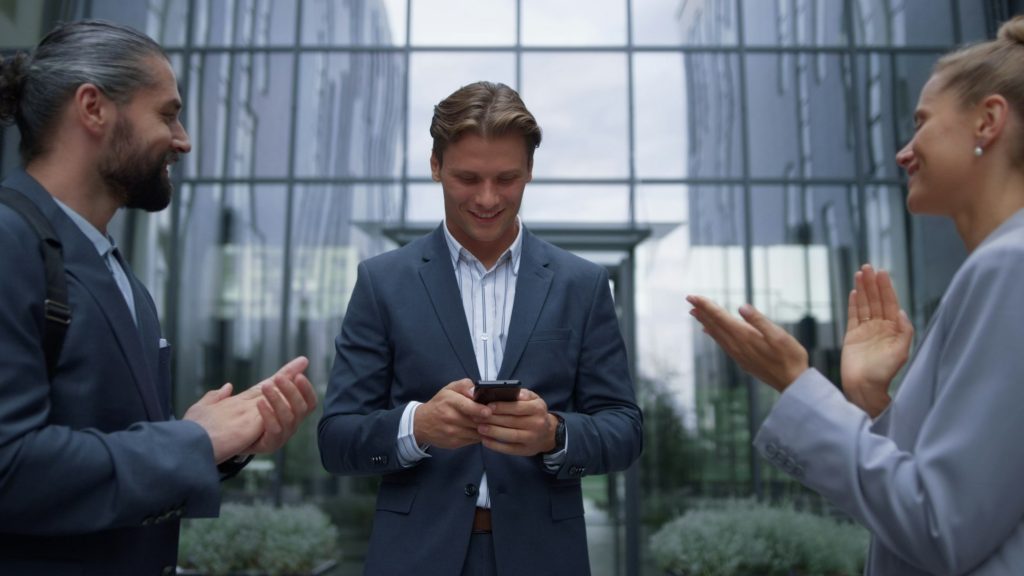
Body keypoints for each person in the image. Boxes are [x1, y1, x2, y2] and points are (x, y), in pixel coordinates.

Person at [688, 15, 1024, 575]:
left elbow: (939, 527)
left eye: (921, 123)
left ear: (988, 121)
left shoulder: (1008, 267)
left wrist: (797, 387)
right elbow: (958, 496)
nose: (904, 151)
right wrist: (870, 398)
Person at [0, 20, 317, 575]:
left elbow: (118, 451)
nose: (184, 139)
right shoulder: (9, 242)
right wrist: (192, 440)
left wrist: (217, 440)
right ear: (93, 108)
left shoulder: (121, 276)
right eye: (167, 113)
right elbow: (10, 467)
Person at [318, 81, 643, 575]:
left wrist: (554, 433)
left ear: (530, 171)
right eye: (468, 178)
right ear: (435, 166)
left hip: (545, 558)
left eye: (506, 178)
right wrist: (417, 427)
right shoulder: (382, 282)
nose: (488, 199)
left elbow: (624, 429)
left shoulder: (584, 284)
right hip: (414, 557)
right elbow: (337, 440)